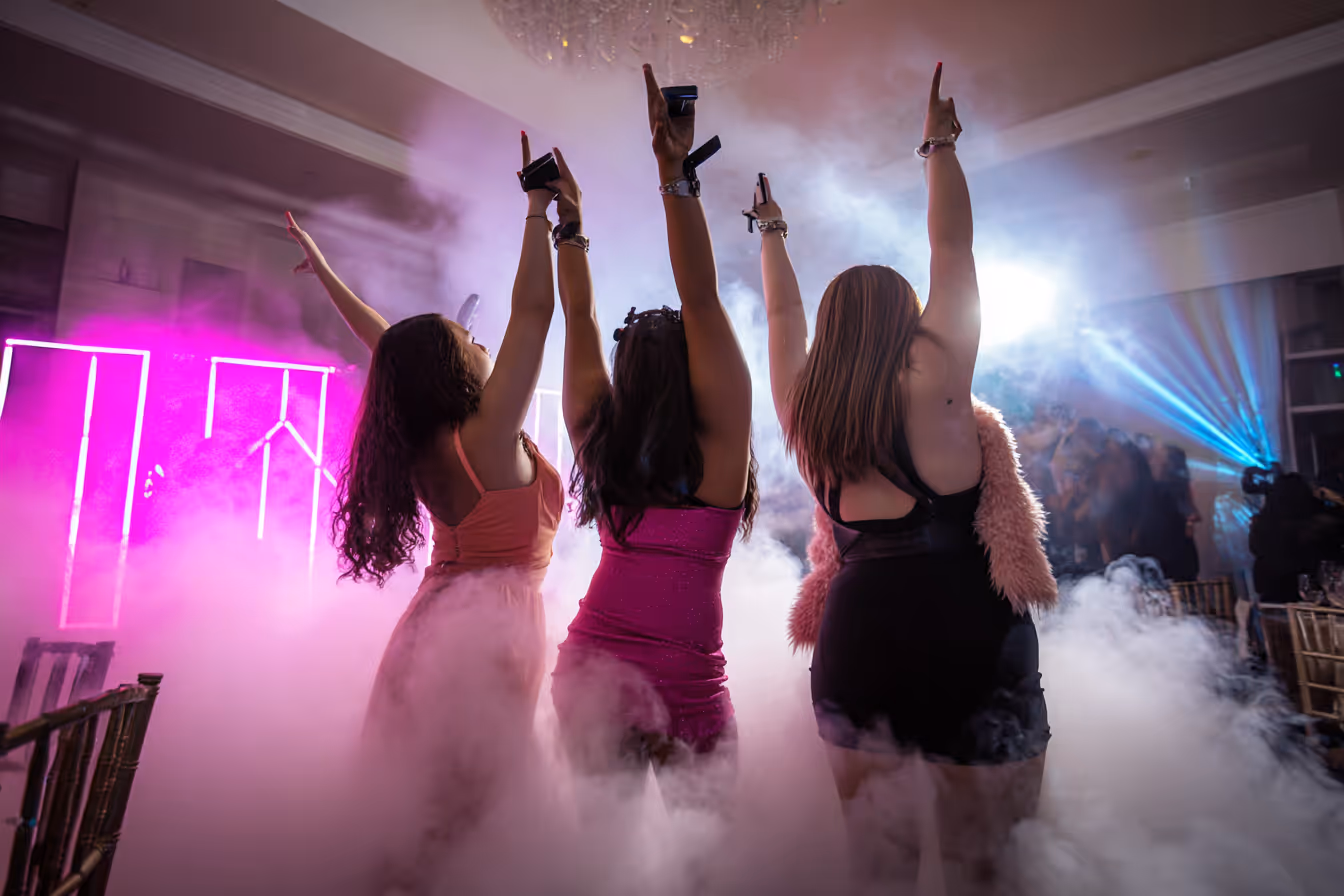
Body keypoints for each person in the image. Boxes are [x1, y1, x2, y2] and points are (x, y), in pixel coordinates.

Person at [753, 65, 1056, 892]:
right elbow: (952, 247)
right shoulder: (942, 375)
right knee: (986, 870)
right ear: (908, 317)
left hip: (860, 643)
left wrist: (770, 232)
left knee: (876, 869)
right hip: (970, 641)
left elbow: (782, 317)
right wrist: (938, 144)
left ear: (832, 331)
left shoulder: (807, 408)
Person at [285, 132, 563, 887]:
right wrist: (540, 210)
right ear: (452, 367)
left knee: (425, 826)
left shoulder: (428, 434)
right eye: (464, 337)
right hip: (478, 640)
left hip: (448, 626)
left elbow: (386, 344)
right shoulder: (483, 433)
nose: (475, 337)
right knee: (454, 825)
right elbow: (534, 314)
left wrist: (329, 277)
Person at [549, 65, 757, 814]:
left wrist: (566, 227)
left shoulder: (599, 437)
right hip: (689, 682)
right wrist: (674, 175)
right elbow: (700, 297)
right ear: (697, 372)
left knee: (599, 861)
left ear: (626, 374)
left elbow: (577, 323)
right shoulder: (725, 447)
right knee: (709, 871)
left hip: (591, 668)